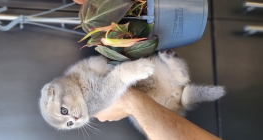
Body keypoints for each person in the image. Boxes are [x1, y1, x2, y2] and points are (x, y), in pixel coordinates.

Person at [73, 1, 221, 139]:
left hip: (157, 91)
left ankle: (178, 80)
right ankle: (178, 80)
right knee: (163, 77)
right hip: (163, 96)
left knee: (157, 74)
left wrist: (127, 101)